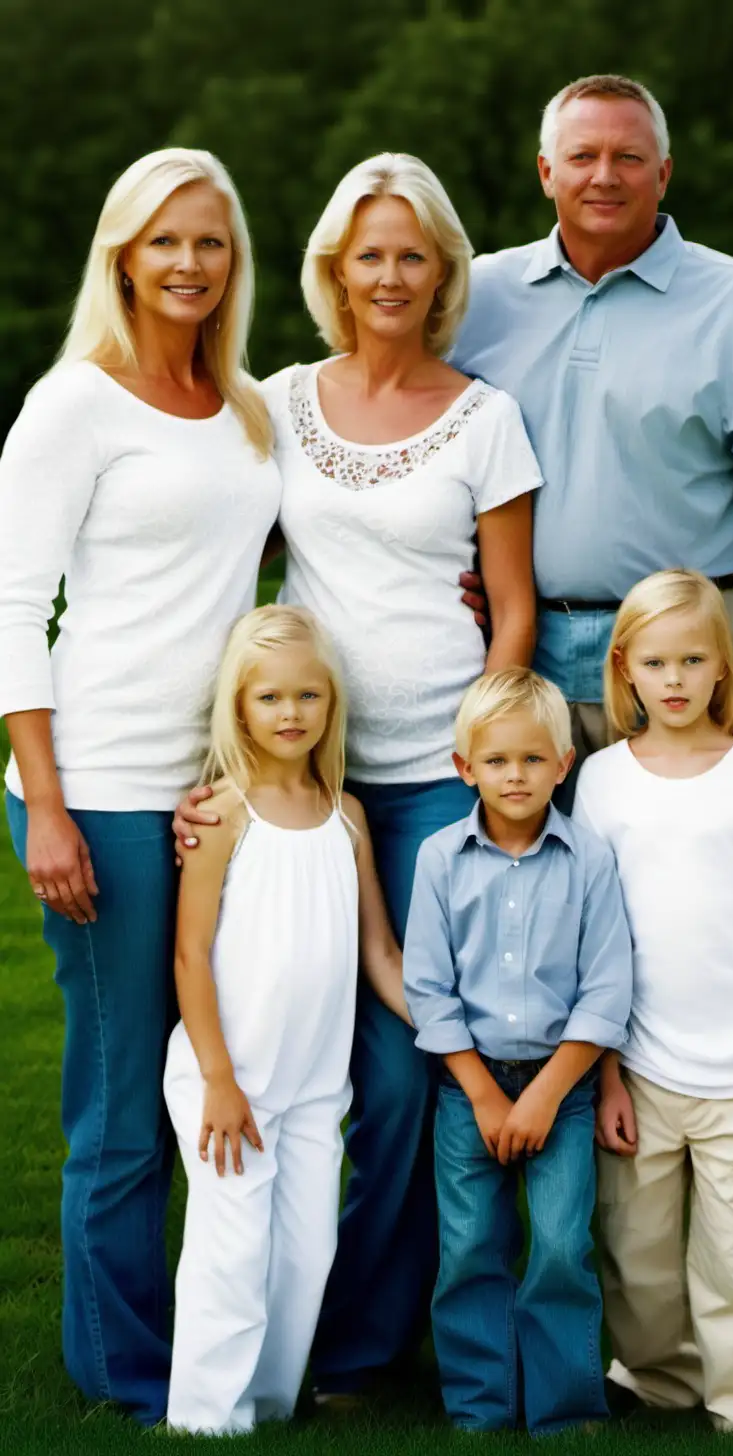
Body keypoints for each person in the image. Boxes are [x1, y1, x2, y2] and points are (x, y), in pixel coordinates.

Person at [174, 152, 542, 1397]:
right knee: (276, 1052)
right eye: (367, 253)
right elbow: (231, 573)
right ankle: (258, 1310)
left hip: (441, 785)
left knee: (399, 1074)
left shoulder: (486, 416)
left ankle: (365, 1348)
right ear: (334, 269)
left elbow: (513, 604)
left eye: (413, 254)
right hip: (302, 790)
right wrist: (217, 760)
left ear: (443, 273)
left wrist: (483, 744)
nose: (389, 274)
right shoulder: (278, 402)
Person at [0, 149, 281, 1425]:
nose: (187, 262)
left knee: (212, 1072)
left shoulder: (245, 405)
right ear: (122, 254)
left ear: (235, 262)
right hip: (100, 783)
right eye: (163, 240)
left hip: (215, 791)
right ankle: (122, 1369)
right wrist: (45, 800)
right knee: (123, 1101)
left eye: (210, 242)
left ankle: (210, 1333)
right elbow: (11, 605)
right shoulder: (76, 404)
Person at [453, 72, 733, 824]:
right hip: (521, 649)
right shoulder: (474, 298)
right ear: (546, 171)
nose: (605, 175)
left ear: (665, 172)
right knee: (526, 881)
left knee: (682, 890)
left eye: (629, 156)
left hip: (688, 653)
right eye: (583, 156)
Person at [573, 569, 733, 1432]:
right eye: (655, 662)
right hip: (639, 1064)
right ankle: (657, 1376)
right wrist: (603, 1075)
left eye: (692, 660)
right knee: (635, 1249)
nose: (673, 680)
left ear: (725, 669)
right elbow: (594, 936)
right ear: (624, 669)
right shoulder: (602, 781)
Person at [164, 605, 409, 1434]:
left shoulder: (346, 817)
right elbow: (191, 957)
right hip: (227, 1079)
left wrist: (449, 1028)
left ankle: (264, 1410)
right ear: (239, 706)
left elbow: (380, 954)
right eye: (270, 697)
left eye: (308, 695)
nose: (291, 713)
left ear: (332, 704)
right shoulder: (222, 814)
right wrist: (220, 1081)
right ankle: (204, 1420)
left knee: (305, 1257)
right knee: (230, 1256)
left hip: (312, 1086)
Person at [403, 667, 633, 1435]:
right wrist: (484, 1093)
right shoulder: (439, 858)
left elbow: (606, 992)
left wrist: (543, 1094)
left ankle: (566, 1410)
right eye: (496, 760)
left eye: (534, 760)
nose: (515, 775)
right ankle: (481, 1405)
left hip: (561, 1092)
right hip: (468, 1091)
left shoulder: (589, 859)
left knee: (564, 1245)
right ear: (464, 765)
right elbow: (428, 991)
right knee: (469, 1245)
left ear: (563, 765)